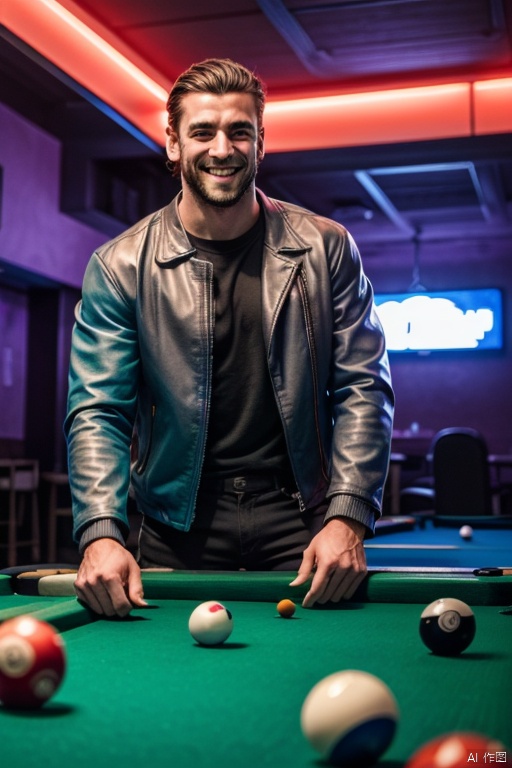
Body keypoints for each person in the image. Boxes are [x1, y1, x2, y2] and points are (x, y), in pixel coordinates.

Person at [65, 58, 394, 618]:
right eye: (202, 132)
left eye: (240, 131)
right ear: (173, 143)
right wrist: (101, 531)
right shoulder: (120, 264)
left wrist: (347, 515)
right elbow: (99, 410)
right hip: (177, 523)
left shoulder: (326, 247)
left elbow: (364, 386)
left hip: (302, 519)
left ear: (261, 142)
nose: (223, 148)